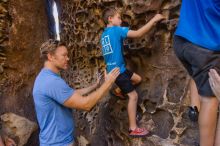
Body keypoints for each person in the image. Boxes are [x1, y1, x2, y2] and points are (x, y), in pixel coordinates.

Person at [32, 39, 120, 146]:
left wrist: (95, 86)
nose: (68, 58)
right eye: (64, 55)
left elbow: (70, 94)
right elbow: (85, 104)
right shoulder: (51, 82)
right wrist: (108, 83)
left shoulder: (45, 77)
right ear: (51, 57)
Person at [100, 7, 165, 137]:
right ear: (110, 19)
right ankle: (133, 128)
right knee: (133, 96)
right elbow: (139, 34)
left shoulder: (104, 35)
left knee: (137, 79)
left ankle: (119, 91)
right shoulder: (116, 30)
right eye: (118, 17)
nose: (121, 20)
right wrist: (154, 20)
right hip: (118, 72)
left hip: (116, 70)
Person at [173, 0, 220, 146]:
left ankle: (194, 109)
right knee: (211, 99)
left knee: (197, 73)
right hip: (205, 46)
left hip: (181, 40)